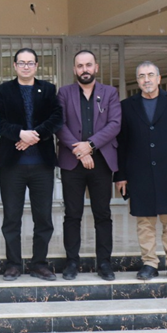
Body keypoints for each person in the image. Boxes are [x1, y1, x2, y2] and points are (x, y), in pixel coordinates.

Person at [116, 61, 167, 282]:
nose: (147, 80)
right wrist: (120, 175)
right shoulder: (127, 106)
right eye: (142, 76)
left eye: (151, 75)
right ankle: (149, 263)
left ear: (159, 78)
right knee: (145, 222)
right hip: (139, 172)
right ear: (138, 80)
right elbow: (122, 144)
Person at [0, 48, 63, 282]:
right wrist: (20, 134)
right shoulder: (3, 91)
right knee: (11, 217)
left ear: (36, 66)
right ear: (14, 66)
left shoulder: (49, 89)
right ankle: (13, 264)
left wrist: (35, 135)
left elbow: (56, 118)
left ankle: (39, 264)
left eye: (30, 63)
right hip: (12, 164)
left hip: (42, 164)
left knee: (43, 217)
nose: (26, 66)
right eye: (21, 63)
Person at [57, 50, 122, 281]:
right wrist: (80, 150)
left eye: (88, 65)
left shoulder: (110, 93)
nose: (84, 69)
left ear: (96, 67)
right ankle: (72, 262)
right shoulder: (64, 93)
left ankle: (104, 263)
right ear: (74, 69)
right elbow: (59, 124)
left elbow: (115, 124)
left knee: (102, 213)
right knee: (72, 214)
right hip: (72, 162)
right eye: (80, 66)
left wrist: (90, 145)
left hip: (101, 162)